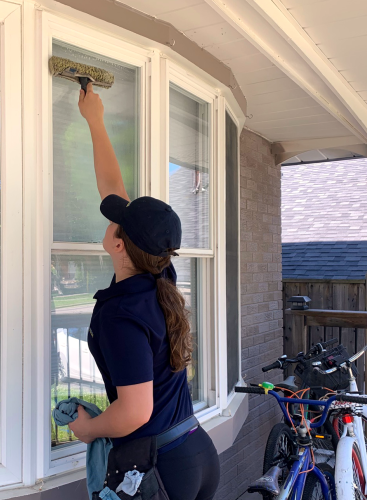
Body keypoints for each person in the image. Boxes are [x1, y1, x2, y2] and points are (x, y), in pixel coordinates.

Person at [68, 82, 220, 500]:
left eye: (117, 223)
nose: (111, 217)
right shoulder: (159, 273)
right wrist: (95, 121)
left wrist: (89, 429)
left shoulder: (121, 313)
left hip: (162, 467)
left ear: (119, 244)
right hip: (196, 452)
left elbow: (135, 411)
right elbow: (115, 193)